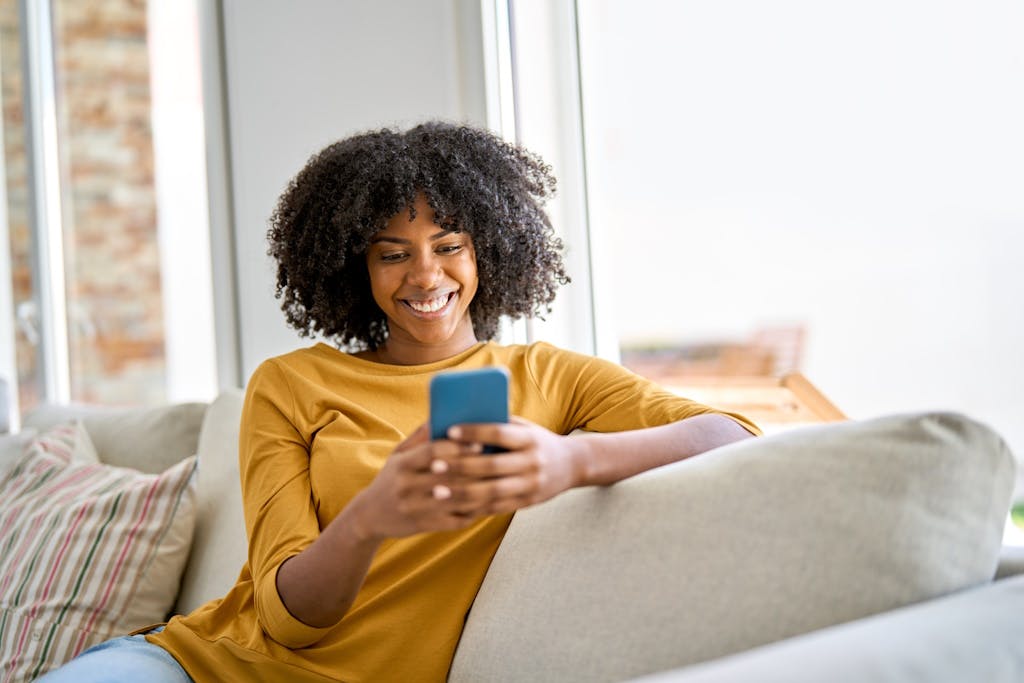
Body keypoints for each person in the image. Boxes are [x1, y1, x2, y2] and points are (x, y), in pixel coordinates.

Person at [41, 121, 759, 682]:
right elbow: (288, 620)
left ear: (489, 250)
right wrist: (371, 516)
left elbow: (733, 435)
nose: (425, 274)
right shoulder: (291, 384)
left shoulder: (550, 377)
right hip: (194, 667)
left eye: (448, 244)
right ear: (358, 270)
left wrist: (570, 460)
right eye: (392, 252)